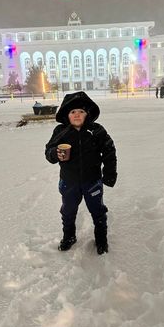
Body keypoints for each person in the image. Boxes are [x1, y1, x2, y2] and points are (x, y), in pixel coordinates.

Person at [45, 91, 117, 255]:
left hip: (92, 181)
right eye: (73, 112)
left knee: (97, 210)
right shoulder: (61, 131)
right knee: (68, 210)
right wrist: (55, 153)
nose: (77, 114)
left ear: (88, 114)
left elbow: (109, 151)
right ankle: (69, 236)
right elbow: (48, 152)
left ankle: (101, 239)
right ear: (66, 115)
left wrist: (109, 173)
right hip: (68, 182)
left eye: (81, 111)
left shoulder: (96, 130)